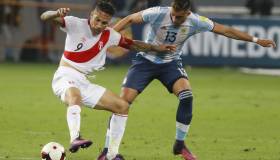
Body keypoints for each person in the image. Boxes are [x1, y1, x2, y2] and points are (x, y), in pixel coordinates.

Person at [97, 0, 277, 159]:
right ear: (171, 9)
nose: (175, 20)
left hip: (170, 63)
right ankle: (107, 151)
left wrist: (256, 39)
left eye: (180, 18)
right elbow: (129, 19)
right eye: (174, 16)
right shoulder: (158, 13)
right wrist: (108, 35)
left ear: (188, 13)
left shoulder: (197, 21)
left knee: (187, 96)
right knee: (122, 104)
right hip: (145, 61)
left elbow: (227, 30)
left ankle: (179, 145)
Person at [40, 1, 175, 160]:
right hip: (65, 76)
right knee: (74, 96)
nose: (99, 25)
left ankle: (111, 155)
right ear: (91, 15)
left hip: (84, 82)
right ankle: (75, 138)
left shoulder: (109, 35)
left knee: (122, 107)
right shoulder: (74, 23)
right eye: (97, 19)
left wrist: (155, 48)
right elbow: (44, 17)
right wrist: (56, 13)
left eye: (104, 22)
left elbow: (133, 45)